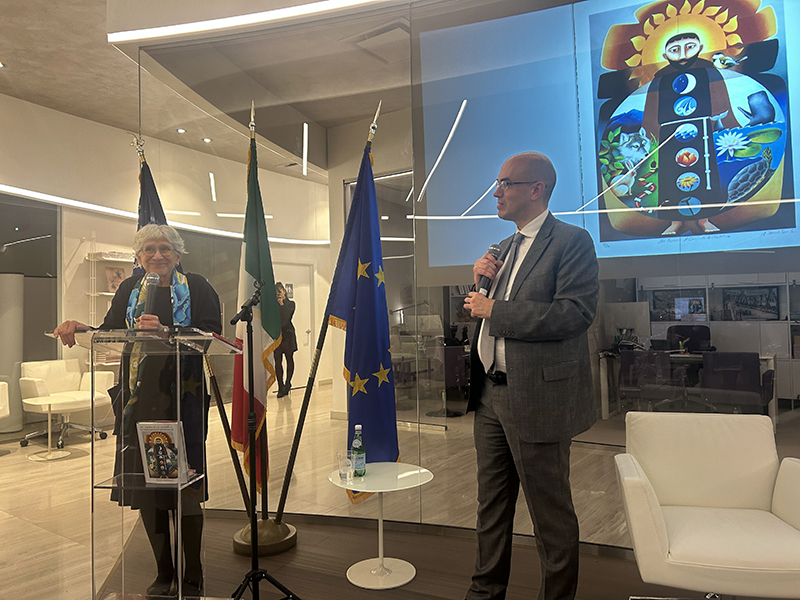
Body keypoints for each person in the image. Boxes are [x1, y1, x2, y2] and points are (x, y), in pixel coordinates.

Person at [53, 224, 222, 598]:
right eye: (149, 249)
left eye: (165, 249)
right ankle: (164, 572)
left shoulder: (197, 287)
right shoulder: (130, 289)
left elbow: (211, 335)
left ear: (178, 256)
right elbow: (113, 330)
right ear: (138, 256)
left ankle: (192, 576)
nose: (157, 255)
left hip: (183, 400)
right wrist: (84, 328)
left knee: (185, 490)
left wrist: (167, 333)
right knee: (149, 490)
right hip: (139, 402)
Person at [463, 152, 599, 600]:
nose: (496, 192)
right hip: (490, 397)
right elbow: (483, 318)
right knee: (491, 510)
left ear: (536, 189)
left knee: (550, 517)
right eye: (496, 182)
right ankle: (484, 595)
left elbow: (574, 314)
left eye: (505, 183)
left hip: (539, 399)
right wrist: (480, 284)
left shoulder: (571, 242)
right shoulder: (501, 249)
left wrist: (494, 309)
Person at [273, 282, 297, 398]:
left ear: (284, 291)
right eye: (276, 292)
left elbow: (285, 320)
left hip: (288, 335)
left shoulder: (291, 304)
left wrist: (282, 304)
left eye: (280, 291)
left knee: (289, 359)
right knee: (277, 361)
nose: (278, 294)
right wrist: (277, 304)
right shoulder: (273, 306)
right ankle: (280, 386)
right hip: (278, 336)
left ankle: (288, 383)